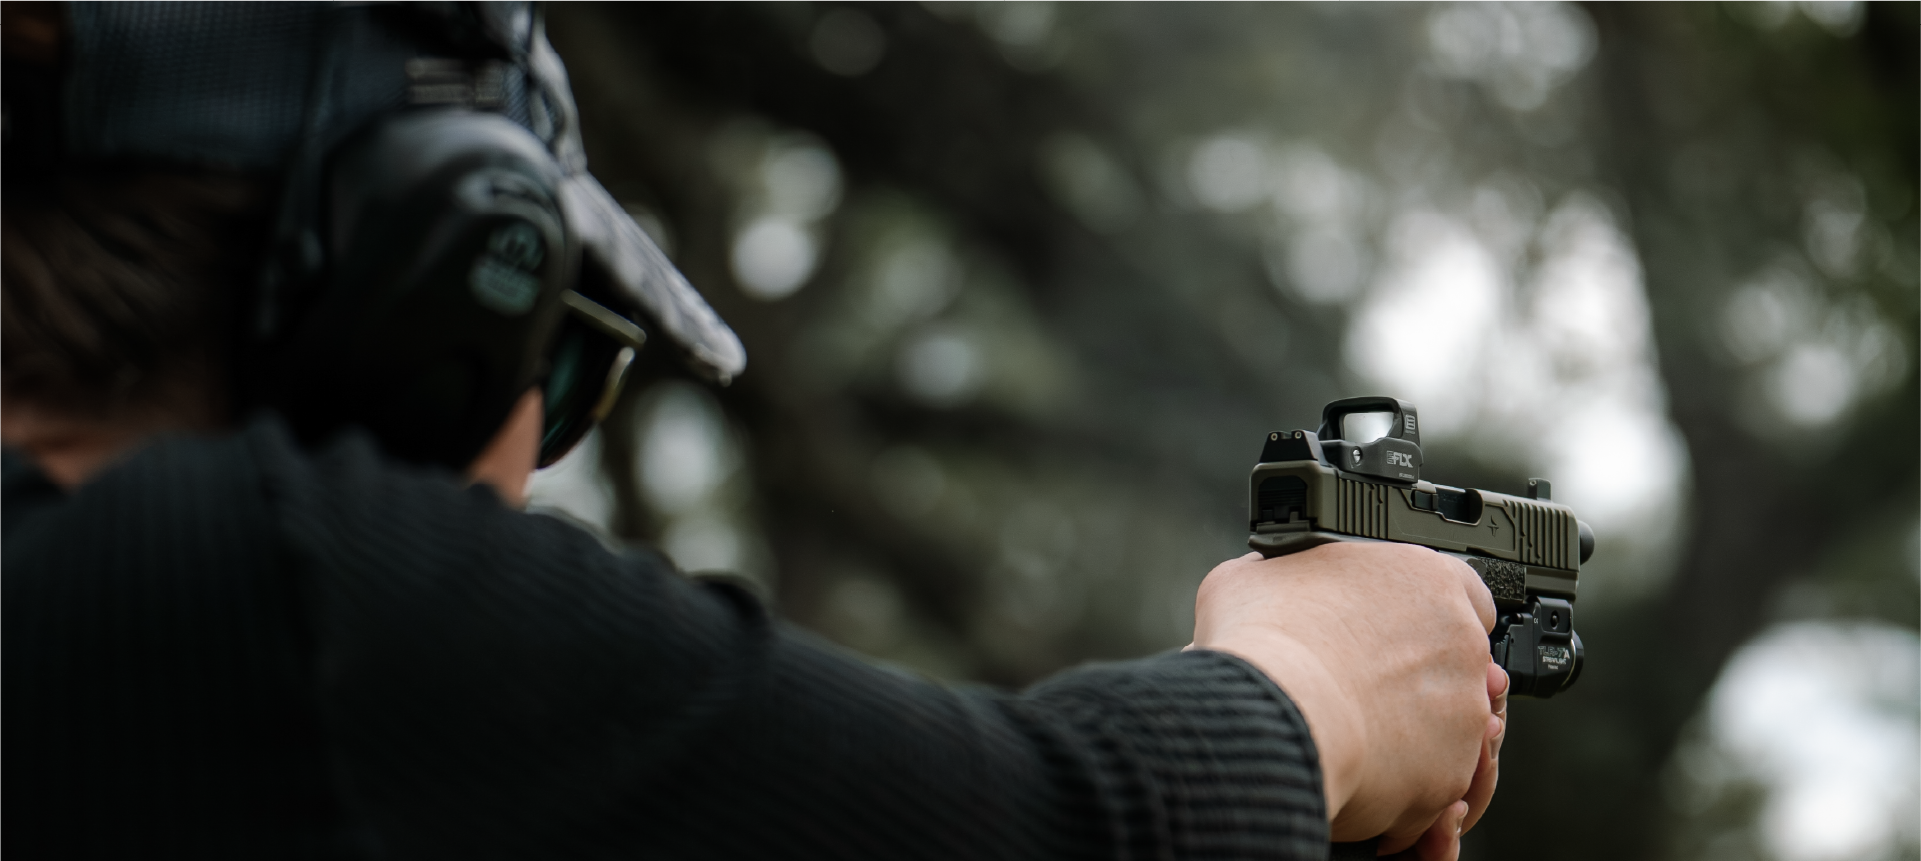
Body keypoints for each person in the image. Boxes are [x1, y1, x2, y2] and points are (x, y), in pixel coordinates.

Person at [0, 1, 1507, 858]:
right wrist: (1315, 685)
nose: (544, 462)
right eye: (560, 361)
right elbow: (1057, 834)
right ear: (426, 295)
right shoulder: (261, 600)